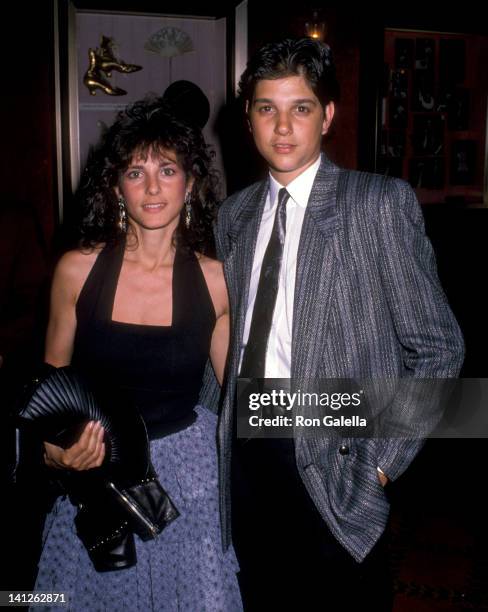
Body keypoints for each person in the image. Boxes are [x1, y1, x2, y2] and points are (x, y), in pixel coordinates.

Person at [212, 38, 464, 611]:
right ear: (247, 118)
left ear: (327, 116)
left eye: (300, 108)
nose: (282, 127)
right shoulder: (234, 215)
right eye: (265, 108)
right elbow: (232, 338)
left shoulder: (376, 204)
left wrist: (379, 464)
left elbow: (438, 349)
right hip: (250, 458)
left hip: (339, 458)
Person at [33, 96, 242, 611]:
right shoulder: (76, 270)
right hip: (98, 477)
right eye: (135, 171)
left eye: (167, 170)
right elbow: (50, 391)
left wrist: (353, 423)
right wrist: (54, 450)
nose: (151, 187)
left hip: (191, 485)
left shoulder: (218, 280)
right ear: (115, 186)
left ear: (190, 182)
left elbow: (245, 397)